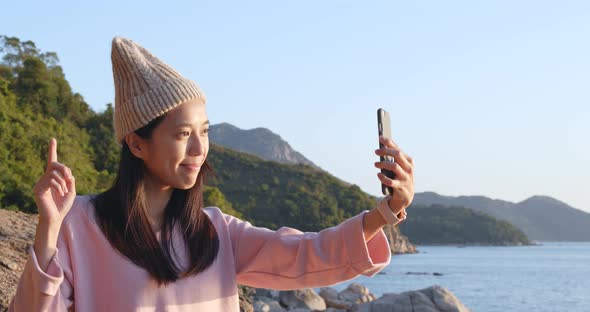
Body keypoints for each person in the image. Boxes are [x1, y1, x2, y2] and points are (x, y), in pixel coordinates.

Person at [8, 37, 415, 311]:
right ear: (136, 143)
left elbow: (307, 256)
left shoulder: (215, 231)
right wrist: (48, 228)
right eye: (183, 134)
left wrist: (387, 210)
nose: (200, 149)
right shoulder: (78, 223)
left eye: (204, 132)